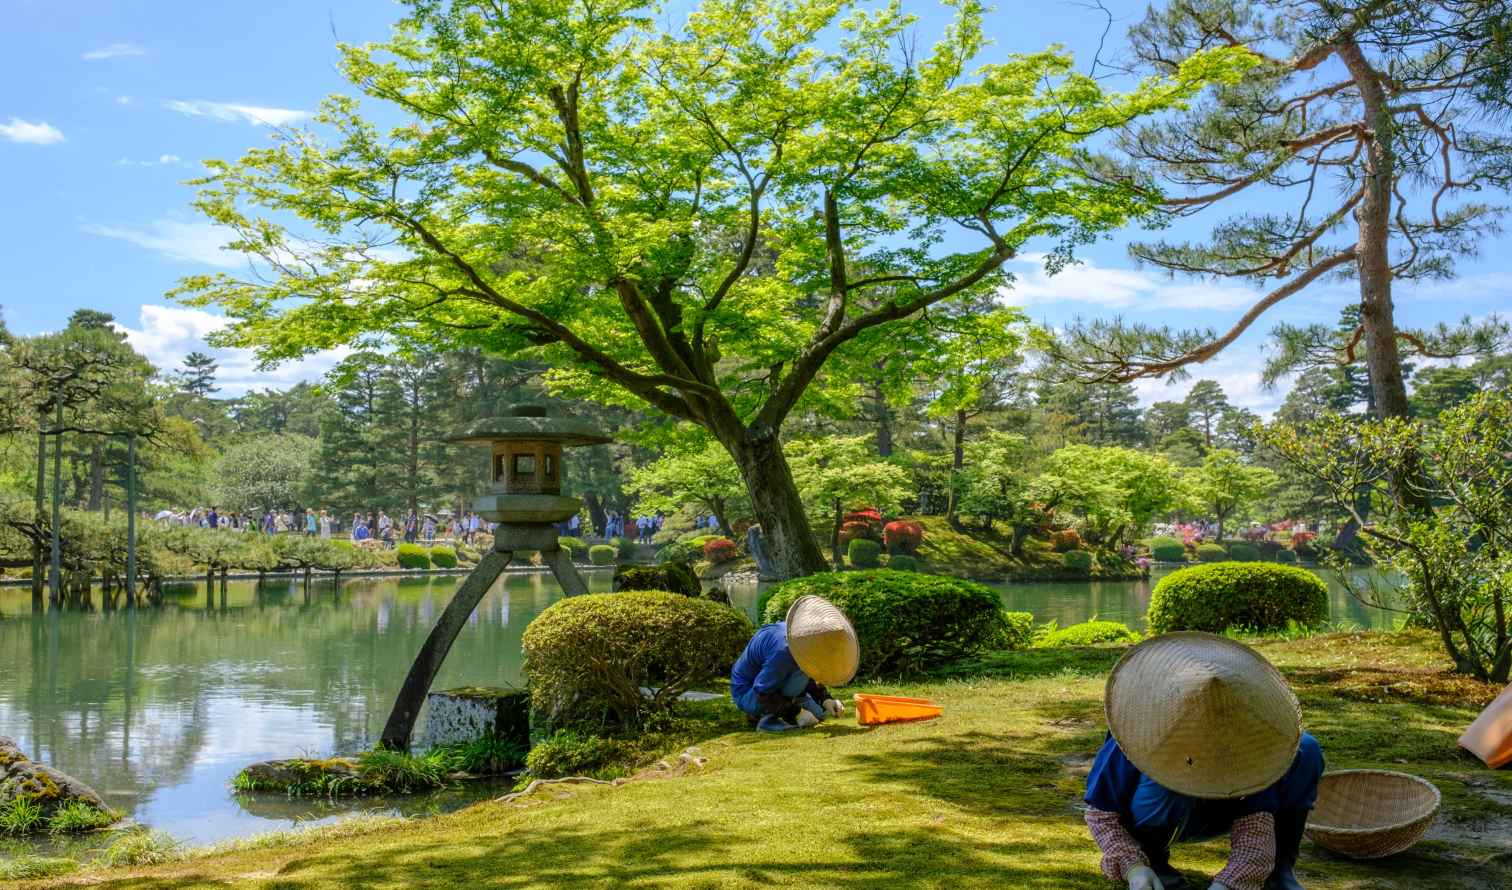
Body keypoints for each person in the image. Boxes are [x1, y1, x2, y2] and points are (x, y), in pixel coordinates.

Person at [1084, 633, 1323, 890]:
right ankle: (1152, 860)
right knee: (1170, 777)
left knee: (1305, 748)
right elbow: (1101, 814)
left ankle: (1279, 871)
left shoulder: (1248, 746)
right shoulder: (1137, 735)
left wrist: (1230, 884)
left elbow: (1255, 829)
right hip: (1159, 814)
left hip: (1217, 811)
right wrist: (1133, 867)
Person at [730, 595, 857, 733]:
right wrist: (796, 713)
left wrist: (826, 700)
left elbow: (810, 672)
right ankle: (766, 718)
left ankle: (780, 709)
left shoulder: (802, 639)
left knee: (818, 715)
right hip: (748, 693)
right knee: (801, 687)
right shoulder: (783, 651)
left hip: (772, 686)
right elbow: (762, 691)